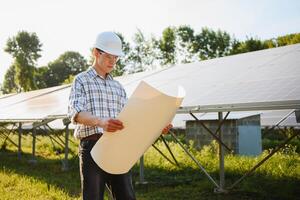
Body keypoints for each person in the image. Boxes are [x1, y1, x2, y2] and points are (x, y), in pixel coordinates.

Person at [68, 31, 172, 200]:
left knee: (126, 197)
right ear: (96, 52)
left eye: (116, 58)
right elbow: (76, 113)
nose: (113, 61)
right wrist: (101, 122)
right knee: (93, 197)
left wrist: (158, 126)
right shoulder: (81, 80)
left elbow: (132, 118)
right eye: (109, 56)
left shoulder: (118, 87)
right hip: (92, 147)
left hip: (118, 147)